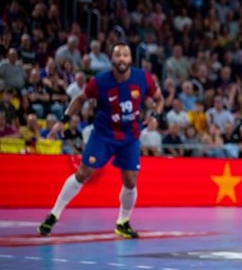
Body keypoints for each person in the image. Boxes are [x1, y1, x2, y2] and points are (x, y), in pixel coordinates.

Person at [38, 42, 164, 239]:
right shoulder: (100, 81)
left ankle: (123, 222)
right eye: (117, 55)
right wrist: (63, 120)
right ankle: (53, 214)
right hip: (104, 135)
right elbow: (80, 99)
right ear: (112, 59)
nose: (122, 58)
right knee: (83, 172)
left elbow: (159, 98)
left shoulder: (143, 78)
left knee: (130, 181)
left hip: (130, 137)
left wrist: (155, 115)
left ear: (130, 59)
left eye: (125, 55)